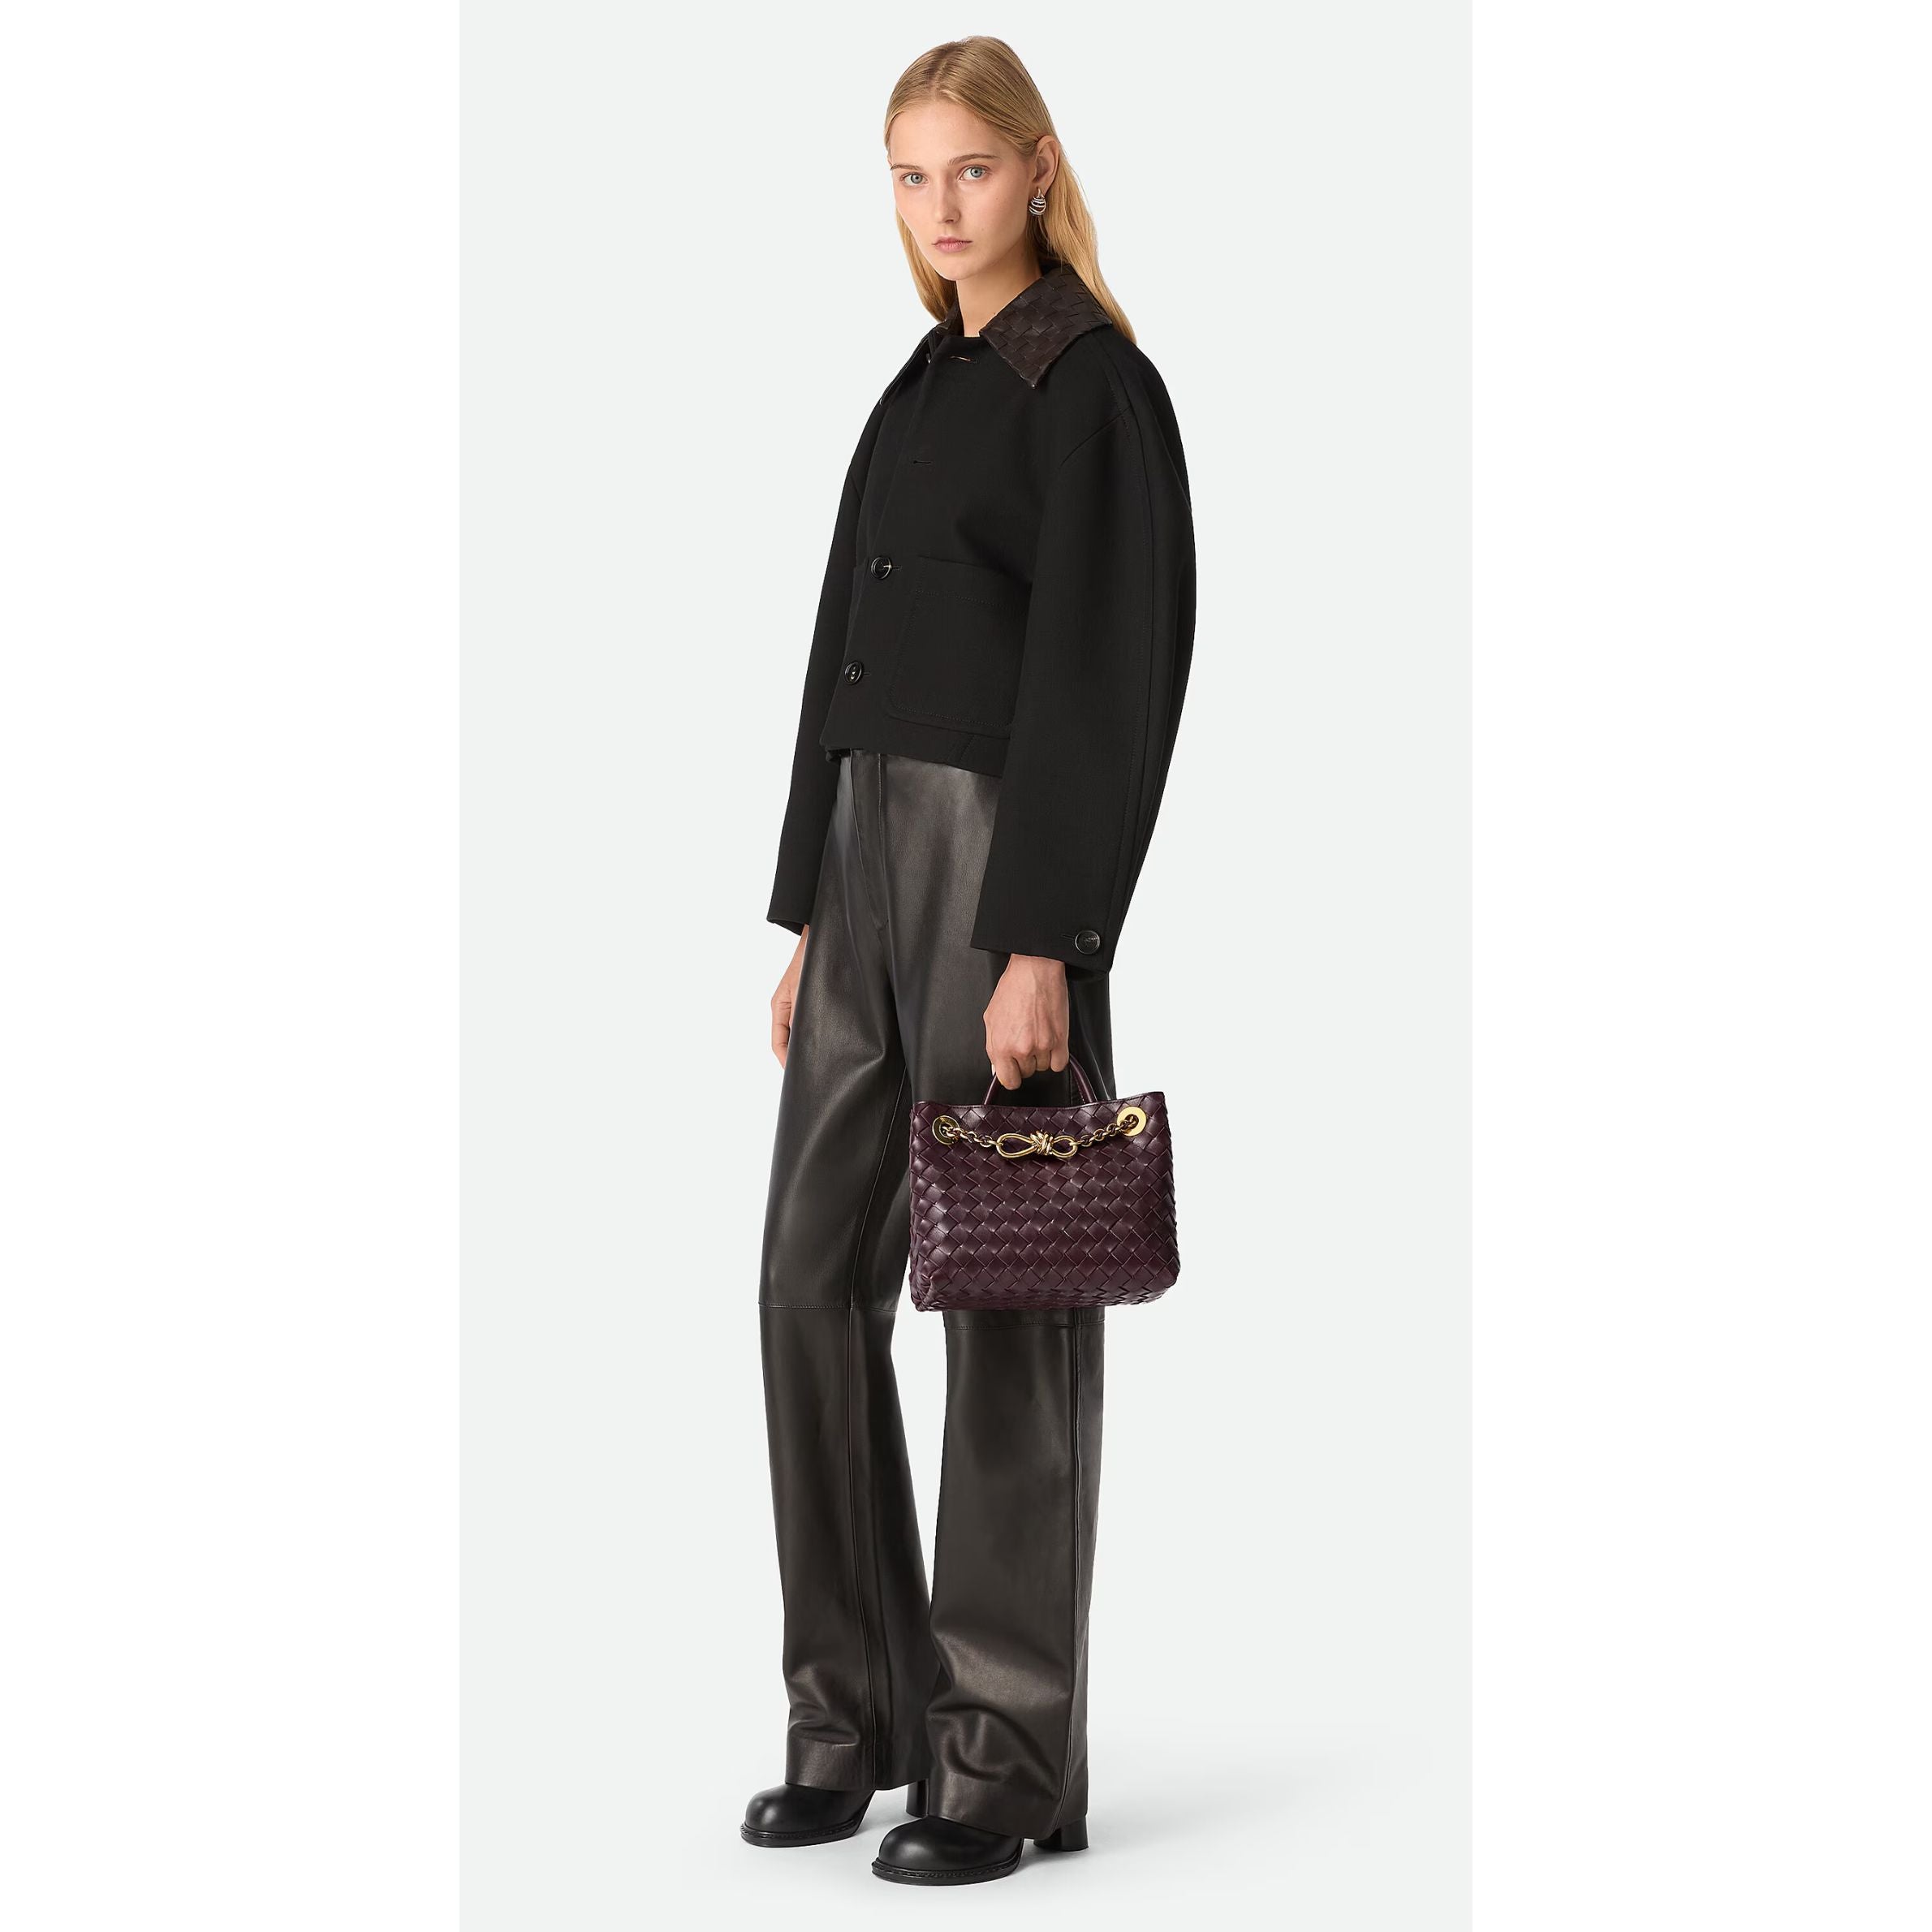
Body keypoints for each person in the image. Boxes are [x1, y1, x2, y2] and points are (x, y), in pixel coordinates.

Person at [744, 36, 1195, 1887]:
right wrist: (804, 912)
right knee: (804, 1278)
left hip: (999, 872)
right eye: (909, 177)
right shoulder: (917, 387)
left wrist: (1046, 943)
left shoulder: (1093, 388)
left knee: (1005, 1304)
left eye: (970, 172)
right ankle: (850, 1716)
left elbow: (1108, 677)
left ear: (1037, 171)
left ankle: (1001, 1762)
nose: (940, 208)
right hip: (863, 871)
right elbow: (835, 657)